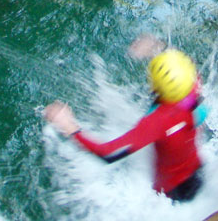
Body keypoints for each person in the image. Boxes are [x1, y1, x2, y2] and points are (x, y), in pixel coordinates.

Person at [43, 44, 208, 202]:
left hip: (172, 193)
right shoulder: (191, 85)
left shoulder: (158, 121)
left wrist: (70, 127)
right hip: (197, 172)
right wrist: (156, 47)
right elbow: (184, 63)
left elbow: (108, 153)